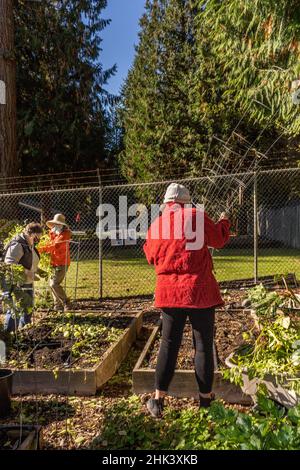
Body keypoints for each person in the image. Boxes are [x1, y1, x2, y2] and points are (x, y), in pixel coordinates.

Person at [143, 183, 231, 418]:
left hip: (169, 292)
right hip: (199, 291)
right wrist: (224, 221)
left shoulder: (157, 224)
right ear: (186, 202)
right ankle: (205, 401)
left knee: (168, 344)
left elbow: (150, 256)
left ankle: (158, 399)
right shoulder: (196, 216)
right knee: (202, 345)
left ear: (167, 203)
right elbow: (220, 240)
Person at [3, 222, 43, 333]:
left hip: (26, 281)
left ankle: (24, 333)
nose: (37, 241)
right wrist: (27, 272)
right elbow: (9, 265)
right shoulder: (18, 244)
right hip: (15, 282)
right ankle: (8, 336)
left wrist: (38, 270)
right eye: (36, 238)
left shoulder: (29, 245)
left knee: (28, 308)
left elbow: (29, 261)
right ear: (30, 234)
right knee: (14, 310)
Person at [39, 213, 72, 312]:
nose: (56, 226)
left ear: (62, 225)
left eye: (58, 224)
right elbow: (48, 243)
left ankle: (66, 302)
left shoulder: (65, 234)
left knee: (54, 284)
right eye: (55, 224)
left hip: (62, 262)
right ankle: (57, 306)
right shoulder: (52, 233)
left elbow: (55, 246)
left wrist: (40, 249)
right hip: (53, 262)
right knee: (51, 284)